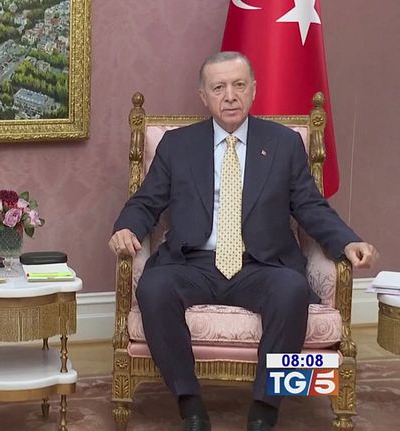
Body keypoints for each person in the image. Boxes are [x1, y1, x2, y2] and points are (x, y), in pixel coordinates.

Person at [109, 52, 378, 431]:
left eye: (239, 85)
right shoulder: (177, 145)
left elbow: (310, 205)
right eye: (219, 88)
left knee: (291, 289)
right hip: (194, 263)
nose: (230, 96)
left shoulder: (284, 144)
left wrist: (347, 242)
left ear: (253, 90)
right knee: (154, 287)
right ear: (203, 96)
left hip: (262, 264)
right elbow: (146, 201)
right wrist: (127, 228)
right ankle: (190, 403)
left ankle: (266, 407)